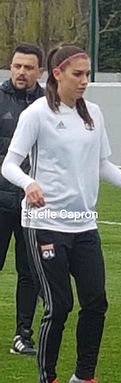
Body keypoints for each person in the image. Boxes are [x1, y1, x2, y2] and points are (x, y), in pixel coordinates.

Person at [2, 45, 121, 383]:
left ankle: (84, 377)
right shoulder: (37, 114)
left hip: (84, 226)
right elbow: (9, 164)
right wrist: (29, 184)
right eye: (78, 74)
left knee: (96, 302)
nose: (85, 81)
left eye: (88, 74)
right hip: (45, 224)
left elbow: (102, 163)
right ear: (57, 73)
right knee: (59, 305)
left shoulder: (94, 114)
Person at [0, 43, 44, 355]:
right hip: (0, 201)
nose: (21, 72)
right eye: (17, 66)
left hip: (34, 207)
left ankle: (22, 336)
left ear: (39, 72)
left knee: (29, 271)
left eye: (28, 67)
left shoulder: (48, 105)